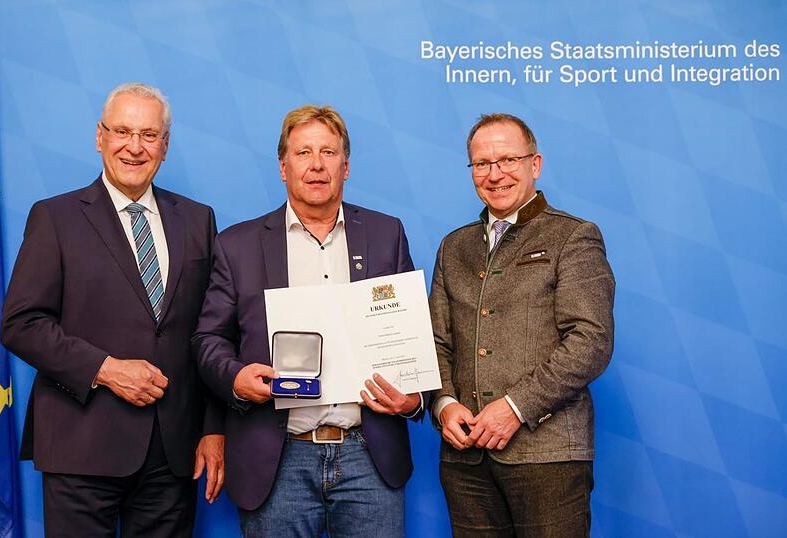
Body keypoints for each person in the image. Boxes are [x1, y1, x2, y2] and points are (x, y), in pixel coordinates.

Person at [0, 82, 224, 537]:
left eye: (148, 135)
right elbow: (21, 324)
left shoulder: (198, 219)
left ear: (165, 145)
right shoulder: (55, 217)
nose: (134, 147)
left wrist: (213, 428)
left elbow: (211, 333)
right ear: (99, 136)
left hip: (172, 451)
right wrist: (104, 368)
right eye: (123, 131)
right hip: (81, 444)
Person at [193, 105, 423, 537]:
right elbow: (208, 339)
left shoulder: (386, 234)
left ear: (346, 166)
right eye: (303, 153)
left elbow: (409, 332)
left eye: (328, 152)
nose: (316, 165)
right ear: (283, 166)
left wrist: (414, 400)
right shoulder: (237, 245)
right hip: (277, 457)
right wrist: (236, 377)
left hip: (368, 456)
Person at [430, 113, 615, 537]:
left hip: (548, 456)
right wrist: (444, 405)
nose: (495, 175)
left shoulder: (574, 236)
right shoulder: (453, 246)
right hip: (465, 461)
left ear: (535, 164)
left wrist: (515, 407)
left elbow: (592, 340)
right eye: (482, 164)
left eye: (508, 160)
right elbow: (436, 342)